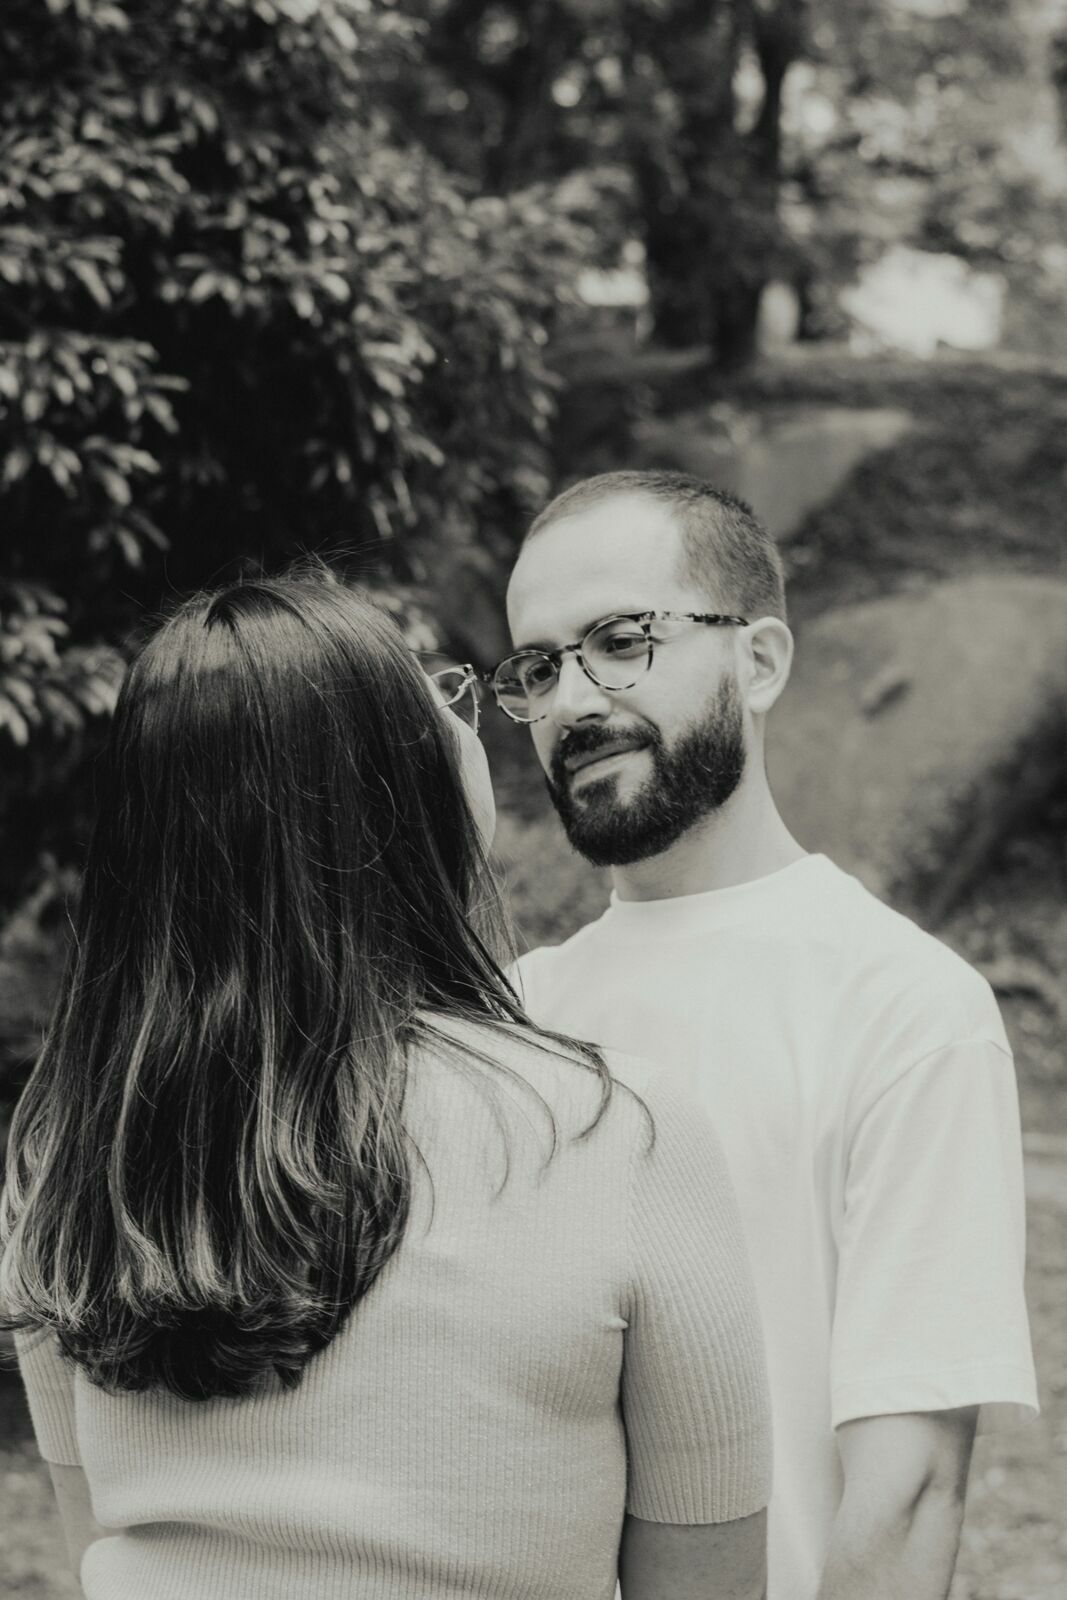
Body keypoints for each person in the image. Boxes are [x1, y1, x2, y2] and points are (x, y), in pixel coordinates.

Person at [0, 564, 771, 1600]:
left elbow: (93, 1533)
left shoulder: (63, 1152)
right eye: (438, 700)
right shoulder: (614, 1135)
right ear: (398, 790)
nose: (466, 723)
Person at [497, 470, 1039, 1600]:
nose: (570, 702)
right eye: (537, 668)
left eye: (620, 641)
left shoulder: (906, 1009)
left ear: (759, 662)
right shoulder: (510, 1014)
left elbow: (906, 1494)